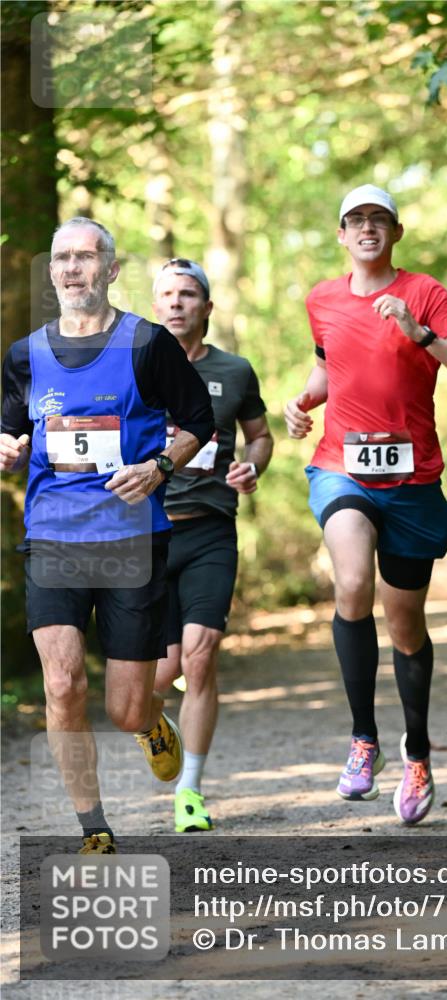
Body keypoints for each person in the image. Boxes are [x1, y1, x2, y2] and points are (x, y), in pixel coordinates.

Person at [284, 184, 447, 825]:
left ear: (396, 233)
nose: (367, 229)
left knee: (405, 624)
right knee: (352, 582)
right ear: (342, 235)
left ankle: (416, 752)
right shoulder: (321, 298)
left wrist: (422, 332)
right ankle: (363, 741)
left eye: (379, 220)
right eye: (356, 221)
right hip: (341, 468)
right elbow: (331, 367)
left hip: (412, 482)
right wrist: (303, 403)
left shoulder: (425, 292)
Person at [0, 218, 215, 853]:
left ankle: (151, 724)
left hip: (130, 542)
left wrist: (160, 466)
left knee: (126, 708)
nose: (71, 269)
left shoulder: (148, 345)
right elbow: (10, 427)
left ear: (112, 271)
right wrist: (7, 447)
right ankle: (94, 828)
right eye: (61, 258)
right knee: (63, 682)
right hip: (53, 538)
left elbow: (198, 420)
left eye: (86, 258)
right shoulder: (23, 354)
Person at [152, 258, 273, 833]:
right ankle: (154, 723)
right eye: (168, 294)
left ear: (207, 306)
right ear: (156, 306)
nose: (177, 303)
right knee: (154, 679)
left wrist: (252, 467)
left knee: (200, 658)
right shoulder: (129, 368)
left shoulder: (235, 370)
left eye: (189, 294)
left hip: (209, 530)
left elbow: (260, 437)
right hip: (145, 533)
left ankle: (189, 792)